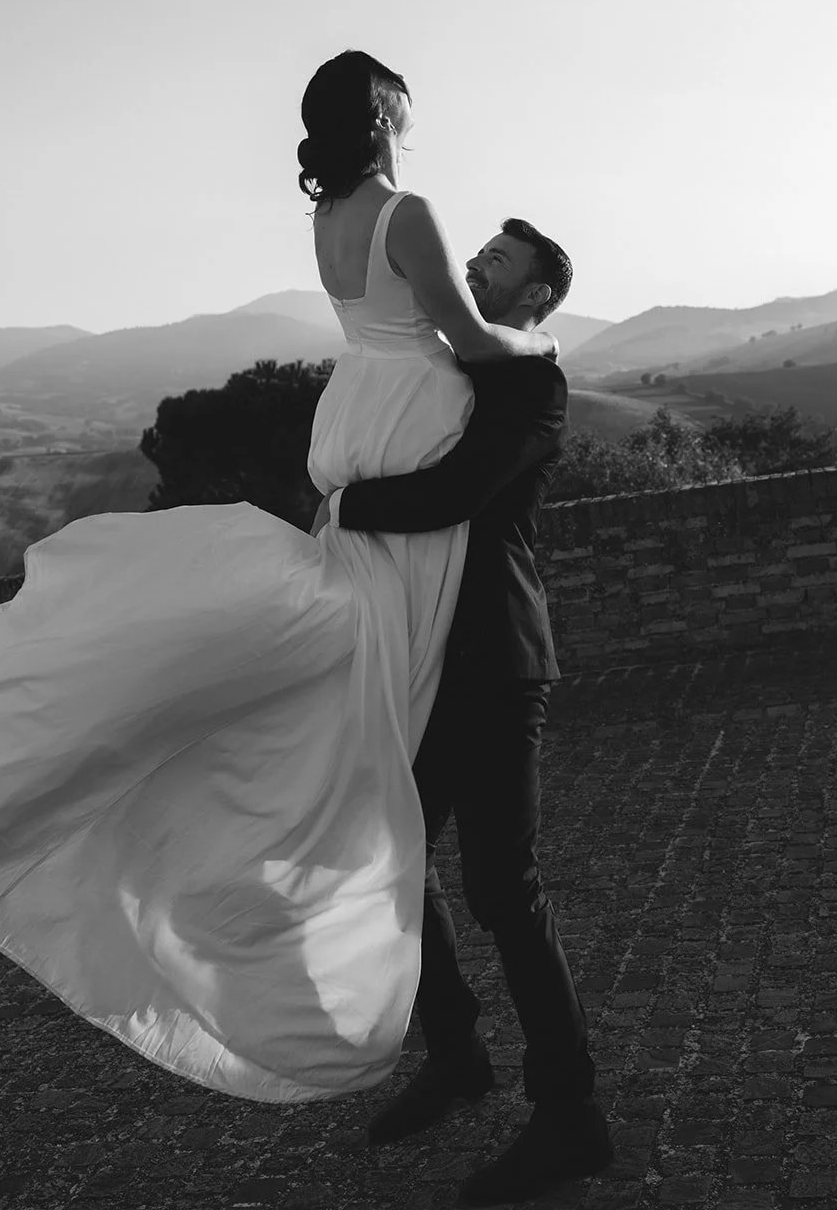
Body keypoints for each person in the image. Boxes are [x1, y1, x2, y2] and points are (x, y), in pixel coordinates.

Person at [0, 50, 557, 1105]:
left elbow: (419, 405)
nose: (412, 121)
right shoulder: (409, 225)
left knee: (450, 828)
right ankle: (452, 1042)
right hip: (394, 500)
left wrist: (354, 490)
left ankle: (524, 1077)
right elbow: (457, 336)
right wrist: (519, 344)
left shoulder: (354, 249)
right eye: (402, 107)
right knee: (380, 785)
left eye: (505, 265)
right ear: (379, 116)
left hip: (417, 526)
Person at [314, 218, 615, 1205]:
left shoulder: (532, 385)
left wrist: (342, 506)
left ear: (534, 298)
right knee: (392, 853)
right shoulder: (443, 365)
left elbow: (453, 491)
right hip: (425, 657)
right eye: (477, 251)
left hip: (494, 659)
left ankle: (569, 1116)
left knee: (500, 884)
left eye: (497, 262)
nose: (476, 264)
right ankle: (456, 1054)